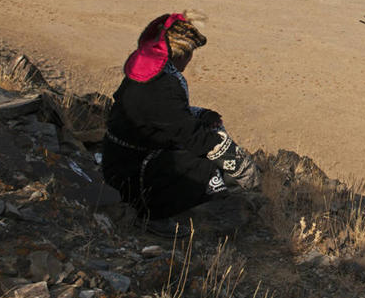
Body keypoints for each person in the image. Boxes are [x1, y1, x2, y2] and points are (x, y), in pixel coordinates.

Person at [102, 12, 260, 236]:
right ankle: (152, 213)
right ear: (182, 54)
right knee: (206, 167)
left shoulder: (149, 72)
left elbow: (167, 118)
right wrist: (241, 167)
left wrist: (203, 115)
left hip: (119, 159)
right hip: (132, 172)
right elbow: (191, 136)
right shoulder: (161, 85)